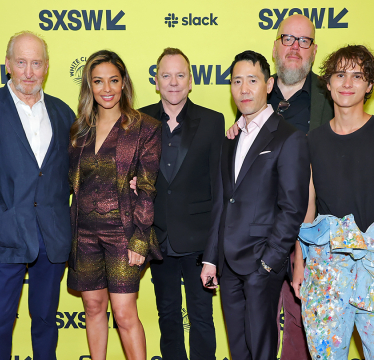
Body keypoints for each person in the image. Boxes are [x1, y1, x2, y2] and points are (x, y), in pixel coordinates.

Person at [291, 45, 374, 359]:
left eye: (357, 76)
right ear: (327, 83)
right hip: (325, 269)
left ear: (369, 85)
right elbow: (307, 209)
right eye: (340, 74)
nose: (347, 83)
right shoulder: (312, 141)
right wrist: (299, 261)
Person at [226, 16, 333, 357]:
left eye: (303, 41)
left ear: (314, 51)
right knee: (255, 330)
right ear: (274, 47)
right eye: (287, 38)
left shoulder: (332, 96)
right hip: (254, 241)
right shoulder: (250, 99)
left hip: (310, 231)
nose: (294, 47)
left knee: (302, 323)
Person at [0, 31, 75, 359]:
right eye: (22, 62)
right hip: (2, 235)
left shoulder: (63, 112)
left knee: (45, 320)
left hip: (51, 237)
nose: (29, 71)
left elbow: (77, 171)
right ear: (8, 64)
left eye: (36, 63)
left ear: (47, 67)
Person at [201, 50, 310, 360]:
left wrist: (269, 263)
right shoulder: (230, 138)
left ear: (269, 84)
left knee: (261, 351)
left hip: (261, 263)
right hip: (227, 263)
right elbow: (222, 201)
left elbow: (292, 208)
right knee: (239, 351)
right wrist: (211, 258)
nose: (244, 89)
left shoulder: (289, 138)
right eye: (237, 81)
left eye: (252, 80)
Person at [68, 50, 162, 360]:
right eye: (98, 82)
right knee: (93, 307)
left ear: (123, 84)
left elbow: (147, 189)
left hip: (123, 234)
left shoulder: (144, 128)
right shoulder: (79, 131)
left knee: (124, 313)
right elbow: (73, 183)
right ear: (89, 87)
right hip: (84, 233)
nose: (106, 89)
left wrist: (140, 237)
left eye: (113, 80)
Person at [139, 48, 224, 360]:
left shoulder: (214, 122)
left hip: (199, 242)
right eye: (166, 75)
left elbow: (219, 189)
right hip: (158, 240)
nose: (173, 82)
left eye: (180, 75)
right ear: (157, 82)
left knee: (202, 317)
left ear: (191, 81)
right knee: (168, 316)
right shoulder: (139, 120)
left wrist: (215, 250)